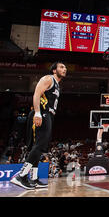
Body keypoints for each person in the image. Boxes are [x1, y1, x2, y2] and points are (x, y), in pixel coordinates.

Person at [10, 62, 67, 190]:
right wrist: (37, 113)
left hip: (48, 115)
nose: (65, 69)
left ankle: (34, 179)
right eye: (61, 67)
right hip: (41, 113)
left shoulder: (57, 85)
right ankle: (21, 176)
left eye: (65, 68)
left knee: (39, 148)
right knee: (39, 145)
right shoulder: (48, 78)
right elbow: (36, 94)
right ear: (54, 70)